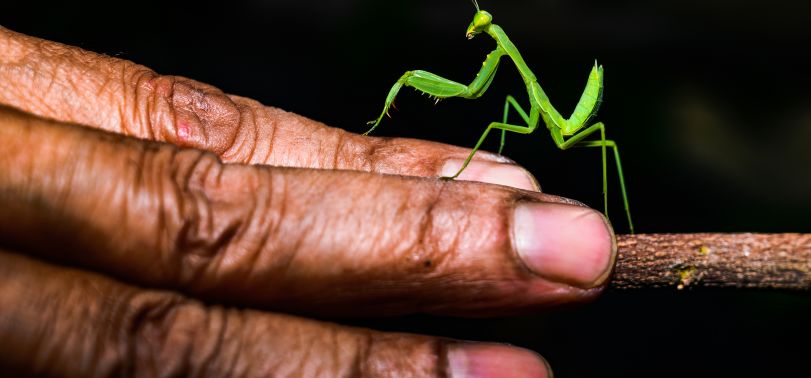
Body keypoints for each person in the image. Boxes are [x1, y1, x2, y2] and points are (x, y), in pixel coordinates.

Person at [0, 26, 616, 377]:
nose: (476, 33)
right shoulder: (499, 60)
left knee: (589, 142)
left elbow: (492, 101)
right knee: (507, 120)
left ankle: (610, 226)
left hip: (572, 124)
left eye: (482, 30)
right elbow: (485, 93)